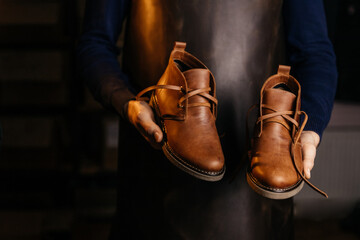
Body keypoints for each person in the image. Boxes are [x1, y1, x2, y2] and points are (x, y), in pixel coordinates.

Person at [77, 0, 337, 239]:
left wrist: (309, 131)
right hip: (152, 169)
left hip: (258, 179)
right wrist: (126, 101)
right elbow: (96, 42)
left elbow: (314, 53)